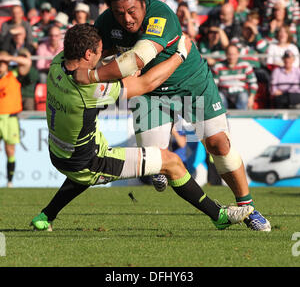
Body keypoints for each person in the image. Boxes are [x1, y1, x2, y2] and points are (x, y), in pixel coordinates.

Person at [74, 0, 271, 231]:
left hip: (191, 85)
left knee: (218, 145)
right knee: (156, 159)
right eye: (119, 13)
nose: (127, 19)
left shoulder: (161, 14)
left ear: (144, 1)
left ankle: (248, 208)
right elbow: (91, 53)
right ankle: (168, 174)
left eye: (132, 10)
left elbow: (138, 58)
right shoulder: (107, 22)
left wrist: (92, 76)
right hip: (151, 96)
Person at [30, 23, 254, 231]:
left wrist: (121, 70)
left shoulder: (58, 63)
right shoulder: (89, 91)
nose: (102, 54)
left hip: (59, 154)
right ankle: (219, 217)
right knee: (172, 163)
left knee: (81, 173)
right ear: (88, 54)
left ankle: (45, 216)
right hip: (88, 161)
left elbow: (105, 72)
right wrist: (180, 55)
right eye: (99, 51)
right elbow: (147, 84)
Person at [0, 50, 25, 187]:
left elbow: (26, 63)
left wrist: (8, 57)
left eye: (2, 63)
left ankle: (10, 181)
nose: (0, 65)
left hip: (10, 119)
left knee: (10, 150)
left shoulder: (12, 75)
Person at [212, 44, 258, 110]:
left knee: (243, 97)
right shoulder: (218, 66)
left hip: (241, 91)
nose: (231, 57)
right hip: (224, 92)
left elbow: (253, 83)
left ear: (238, 54)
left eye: (233, 54)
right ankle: (223, 117)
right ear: (226, 54)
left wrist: (251, 97)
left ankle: (241, 118)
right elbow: (213, 84)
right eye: (229, 54)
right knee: (218, 97)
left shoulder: (245, 65)